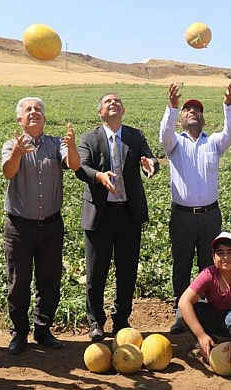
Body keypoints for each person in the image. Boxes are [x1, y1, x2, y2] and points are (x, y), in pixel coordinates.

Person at [76, 92, 159, 342]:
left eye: (118, 101)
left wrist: (151, 165)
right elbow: (81, 167)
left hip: (128, 214)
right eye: (108, 102)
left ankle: (121, 320)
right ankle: (96, 322)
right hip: (99, 215)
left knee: (127, 271)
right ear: (100, 112)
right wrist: (99, 177)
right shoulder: (89, 138)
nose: (114, 104)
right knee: (96, 272)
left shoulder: (135, 136)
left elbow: (150, 157)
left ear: (123, 111)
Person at [159, 82, 231, 335]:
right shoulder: (174, 144)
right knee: (181, 265)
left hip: (209, 215)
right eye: (187, 109)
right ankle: (181, 314)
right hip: (182, 215)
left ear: (203, 119)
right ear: (181, 119)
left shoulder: (213, 142)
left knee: (210, 264)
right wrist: (171, 108)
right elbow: (164, 135)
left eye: (197, 110)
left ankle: (209, 311)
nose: (192, 111)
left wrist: (228, 105)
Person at [1, 97, 80, 354]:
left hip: (51, 225)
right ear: (19, 120)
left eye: (38, 110)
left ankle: (43, 330)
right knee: (18, 282)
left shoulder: (57, 144)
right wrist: (17, 153)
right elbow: (9, 172)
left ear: (44, 118)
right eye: (28, 110)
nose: (34, 112)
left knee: (49, 280)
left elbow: (74, 164)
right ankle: (19, 332)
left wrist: (72, 146)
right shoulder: (11, 144)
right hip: (19, 227)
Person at [177, 232, 231, 367]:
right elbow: (183, 302)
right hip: (215, 316)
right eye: (220, 253)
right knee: (182, 312)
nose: (225, 257)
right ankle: (208, 342)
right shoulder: (208, 274)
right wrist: (201, 335)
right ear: (213, 257)